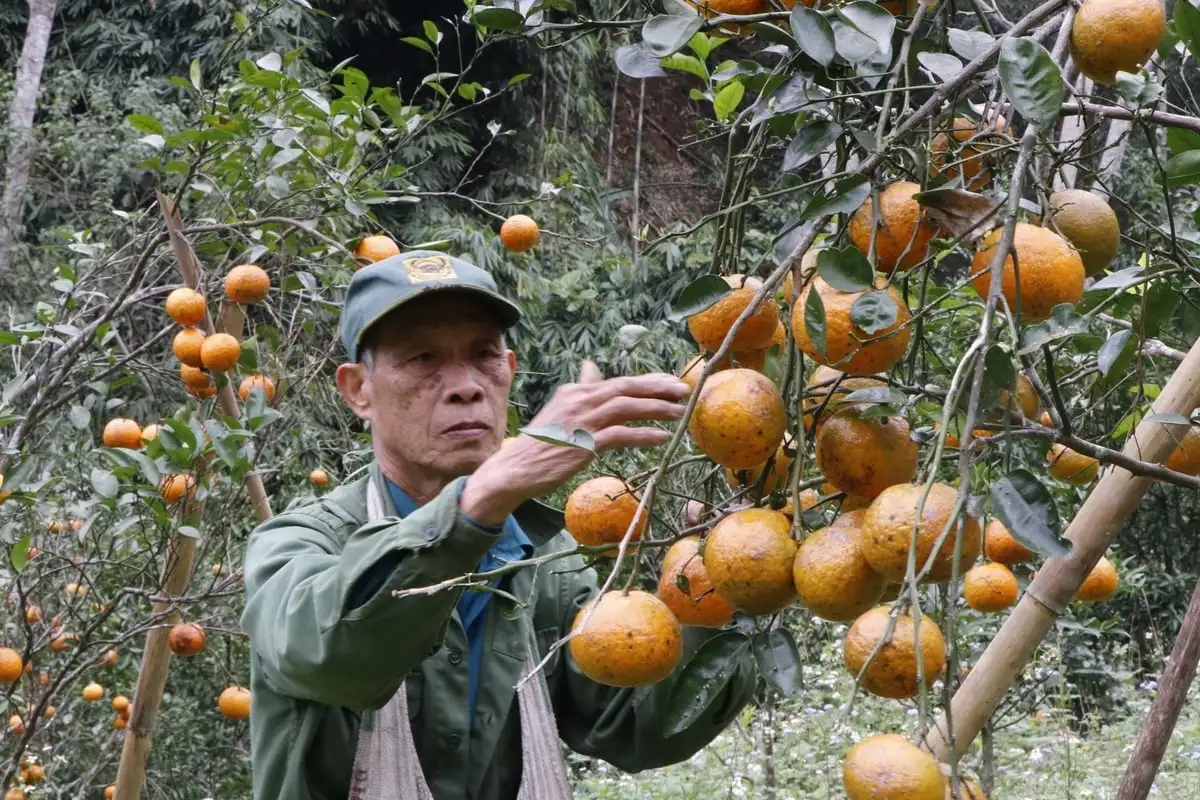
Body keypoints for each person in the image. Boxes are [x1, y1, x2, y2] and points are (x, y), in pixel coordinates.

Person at [239, 250, 757, 800]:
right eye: (422, 358)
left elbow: (636, 723)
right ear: (358, 390)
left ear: (507, 373)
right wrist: (483, 499)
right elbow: (331, 655)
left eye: (484, 354)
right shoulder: (297, 546)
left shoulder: (543, 563)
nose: (465, 385)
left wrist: (728, 571)